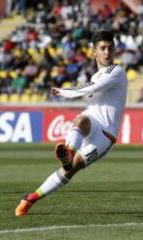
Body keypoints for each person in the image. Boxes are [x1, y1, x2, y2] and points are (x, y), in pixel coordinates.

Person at [15, 30, 128, 217]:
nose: (107, 52)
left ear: (115, 50)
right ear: (94, 52)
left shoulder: (116, 71)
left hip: (105, 135)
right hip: (92, 120)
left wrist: (64, 91)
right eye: (103, 48)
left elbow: (91, 88)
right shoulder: (96, 75)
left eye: (110, 48)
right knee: (80, 119)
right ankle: (68, 151)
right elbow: (92, 87)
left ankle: (30, 199)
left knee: (70, 170)